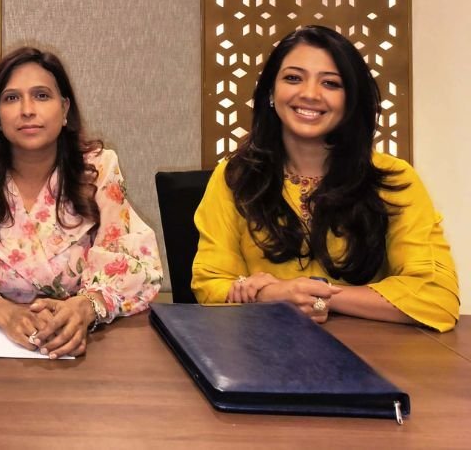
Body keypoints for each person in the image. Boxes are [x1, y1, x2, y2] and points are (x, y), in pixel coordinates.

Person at [192, 25, 459, 331]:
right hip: (261, 348)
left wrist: (316, 297)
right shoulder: (236, 176)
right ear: (271, 92)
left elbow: (437, 298)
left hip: (370, 352)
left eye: (330, 83)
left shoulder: (393, 179)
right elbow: (209, 283)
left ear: (351, 99)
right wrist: (269, 295)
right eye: (293, 78)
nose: (309, 94)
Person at [0, 47, 162, 359]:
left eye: (42, 96)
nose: (27, 110)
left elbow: (131, 260)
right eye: (11, 98)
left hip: (83, 347)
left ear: (64, 109)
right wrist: (2, 312)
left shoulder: (98, 169)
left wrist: (84, 308)